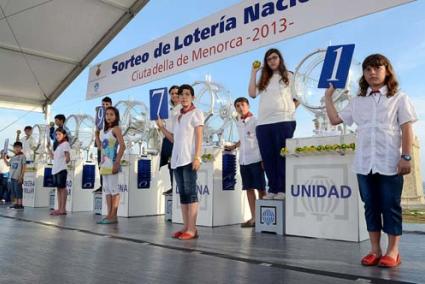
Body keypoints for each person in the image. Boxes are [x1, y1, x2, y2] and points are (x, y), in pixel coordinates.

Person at [325, 54, 417, 268]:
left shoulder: (399, 98)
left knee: (391, 206)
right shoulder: (358, 101)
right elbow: (334, 120)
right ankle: (375, 250)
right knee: (370, 207)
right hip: (364, 164)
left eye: (377, 68)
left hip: (390, 163)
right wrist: (328, 97)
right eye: (367, 69)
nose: (372, 72)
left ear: (387, 71)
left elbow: (406, 128)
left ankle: (393, 251)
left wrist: (406, 157)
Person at [248, 48, 299, 200]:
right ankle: (273, 189)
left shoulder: (289, 76)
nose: (272, 61)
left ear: (280, 59)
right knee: (268, 158)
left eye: (274, 58)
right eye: (269, 59)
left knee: (281, 157)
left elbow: (299, 96)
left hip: (284, 122)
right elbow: (251, 93)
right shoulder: (263, 79)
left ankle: (282, 189)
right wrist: (254, 72)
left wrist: (289, 110)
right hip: (263, 124)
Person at [157, 84, 204, 240]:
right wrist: (161, 127)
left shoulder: (196, 113)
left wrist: (197, 157)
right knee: (183, 194)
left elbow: (199, 137)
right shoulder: (178, 116)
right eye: (181, 95)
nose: (183, 97)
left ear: (192, 97)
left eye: (187, 94)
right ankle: (185, 226)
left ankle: (193, 229)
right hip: (176, 160)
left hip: (189, 159)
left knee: (191, 193)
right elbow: (173, 139)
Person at [225, 97, 266, 227]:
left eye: (242, 105)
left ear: (248, 106)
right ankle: (254, 217)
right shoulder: (238, 122)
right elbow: (243, 139)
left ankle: (264, 217)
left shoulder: (256, 121)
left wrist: (264, 159)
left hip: (256, 159)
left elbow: (262, 140)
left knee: (261, 189)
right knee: (248, 189)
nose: (240, 107)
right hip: (243, 160)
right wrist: (234, 146)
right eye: (237, 106)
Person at [95, 106, 126, 224]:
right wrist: (97, 135)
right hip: (104, 164)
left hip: (112, 163)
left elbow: (123, 146)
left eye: (111, 114)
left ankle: (114, 215)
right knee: (107, 190)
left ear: (116, 116)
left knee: (114, 189)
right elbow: (100, 147)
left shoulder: (116, 129)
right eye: (107, 114)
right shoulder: (104, 131)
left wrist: (117, 162)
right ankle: (109, 215)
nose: (108, 116)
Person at [160, 85, 181, 195]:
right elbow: (164, 124)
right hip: (167, 139)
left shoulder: (183, 108)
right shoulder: (167, 110)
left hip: (178, 139)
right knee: (169, 164)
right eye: (172, 93)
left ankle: (178, 187)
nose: (174, 95)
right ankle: (173, 186)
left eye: (176, 93)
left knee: (177, 164)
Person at [48, 128, 71, 216]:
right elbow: (53, 157)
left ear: (64, 135)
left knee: (62, 188)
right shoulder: (58, 145)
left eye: (59, 134)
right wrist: (48, 148)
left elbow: (67, 158)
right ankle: (59, 208)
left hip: (61, 169)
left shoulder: (65, 143)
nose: (57, 136)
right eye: (56, 134)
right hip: (55, 169)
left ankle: (63, 209)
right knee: (58, 189)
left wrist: (67, 158)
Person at [94, 96, 113, 193]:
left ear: (110, 105)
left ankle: (109, 186)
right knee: (100, 165)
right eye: (103, 104)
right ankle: (102, 186)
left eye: (107, 104)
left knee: (108, 165)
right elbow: (97, 129)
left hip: (109, 144)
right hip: (100, 143)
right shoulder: (99, 116)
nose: (104, 106)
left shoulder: (113, 117)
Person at [3, 142, 26, 209]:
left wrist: (21, 176)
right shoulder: (13, 157)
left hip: (18, 177)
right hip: (12, 177)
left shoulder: (22, 156)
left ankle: (20, 204)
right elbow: (8, 164)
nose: (17, 148)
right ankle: (16, 203)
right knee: (14, 191)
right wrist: (4, 157)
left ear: (21, 148)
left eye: (18, 147)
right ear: (14, 148)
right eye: (15, 147)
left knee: (18, 190)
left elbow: (24, 166)